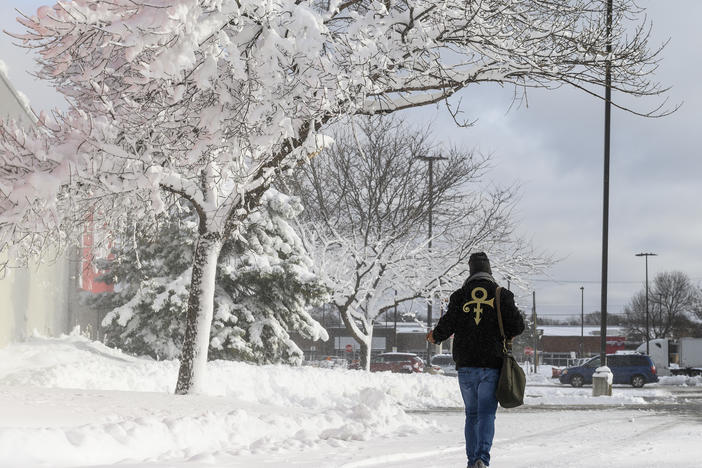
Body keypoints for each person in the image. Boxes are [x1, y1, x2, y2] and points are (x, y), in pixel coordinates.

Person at [426, 252, 524, 468]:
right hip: (492, 364)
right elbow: (518, 326)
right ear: (489, 270)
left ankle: (472, 461)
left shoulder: (460, 296)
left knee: (471, 413)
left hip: (466, 364)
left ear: (470, 271)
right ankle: (482, 458)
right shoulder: (502, 295)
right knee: (487, 413)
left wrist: (435, 335)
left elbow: (448, 324)